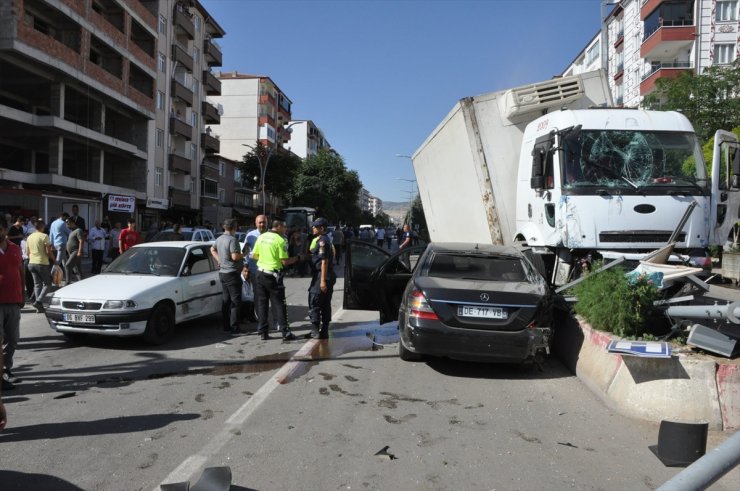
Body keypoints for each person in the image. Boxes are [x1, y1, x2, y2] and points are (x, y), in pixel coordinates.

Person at [252, 219, 303, 341]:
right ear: (278, 226)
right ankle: (285, 332)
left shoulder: (262, 237)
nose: (286, 229)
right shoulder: (281, 240)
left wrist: (265, 259)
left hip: (260, 273)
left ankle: (263, 331)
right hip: (273, 276)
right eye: (284, 227)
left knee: (262, 303)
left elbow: (254, 255)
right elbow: (284, 261)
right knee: (280, 304)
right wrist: (298, 258)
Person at [210, 219, 249, 335]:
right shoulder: (232, 240)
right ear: (234, 228)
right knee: (235, 301)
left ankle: (226, 326)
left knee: (226, 301)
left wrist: (219, 260)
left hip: (223, 273)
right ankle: (235, 328)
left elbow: (212, 249)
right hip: (232, 273)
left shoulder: (219, 238)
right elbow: (235, 257)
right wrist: (245, 254)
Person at [0, 217, 25, 392]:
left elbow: (21, 271)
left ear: (4, 230)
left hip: (14, 301)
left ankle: (6, 369)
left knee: (13, 339)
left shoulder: (15, 249)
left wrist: (23, 294)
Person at [306, 218, 336, 340]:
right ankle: (324, 331)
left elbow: (324, 261)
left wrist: (322, 281)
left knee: (315, 301)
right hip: (326, 275)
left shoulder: (323, 241)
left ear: (322, 228)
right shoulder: (323, 240)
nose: (313, 228)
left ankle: (315, 331)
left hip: (321, 275)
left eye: (315, 227)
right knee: (325, 304)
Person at [243, 215, 268, 323]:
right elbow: (245, 252)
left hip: (269, 270)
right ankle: (261, 319)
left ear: (267, 223)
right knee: (258, 295)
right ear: (256, 223)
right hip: (255, 270)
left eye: (263, 222)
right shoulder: (250, 235)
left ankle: (269, 319)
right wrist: (245, 267)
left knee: (269, 295)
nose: (262, 224)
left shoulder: (271, 235)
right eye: (260, 222)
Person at [26, 219, 54, 312]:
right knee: (48, 284)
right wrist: (55, 260)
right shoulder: (44, 236)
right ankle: (38, 301)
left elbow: (27, 252)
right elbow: (48, 252)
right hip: (42, 263)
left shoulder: (29, 237)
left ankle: (39, 307)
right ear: (43, 227)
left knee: (37, 285)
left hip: (31, 263)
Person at [49, 211, 70, 283]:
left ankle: (68, 277)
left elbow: (51, 234)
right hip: (62, 243)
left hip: (55, 244)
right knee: (58, 261)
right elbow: (69, 232)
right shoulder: (63, 223)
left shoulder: (53, 223)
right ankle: (51, 277)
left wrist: (51, 244)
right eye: (66, 218)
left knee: (65, 262)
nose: (66, 220)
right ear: (64, 216)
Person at [64, 218, 84, 283]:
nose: (66, 224)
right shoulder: (71, 231)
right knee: (77, 269)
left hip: (75, 251)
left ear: (72, 222)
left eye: (67, 222)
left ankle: (67, 283)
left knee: (67, 265)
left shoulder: (78, 230)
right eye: (66, 223)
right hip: (71, 253)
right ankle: (82, 283)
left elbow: (81, 241)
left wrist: (79, 251)